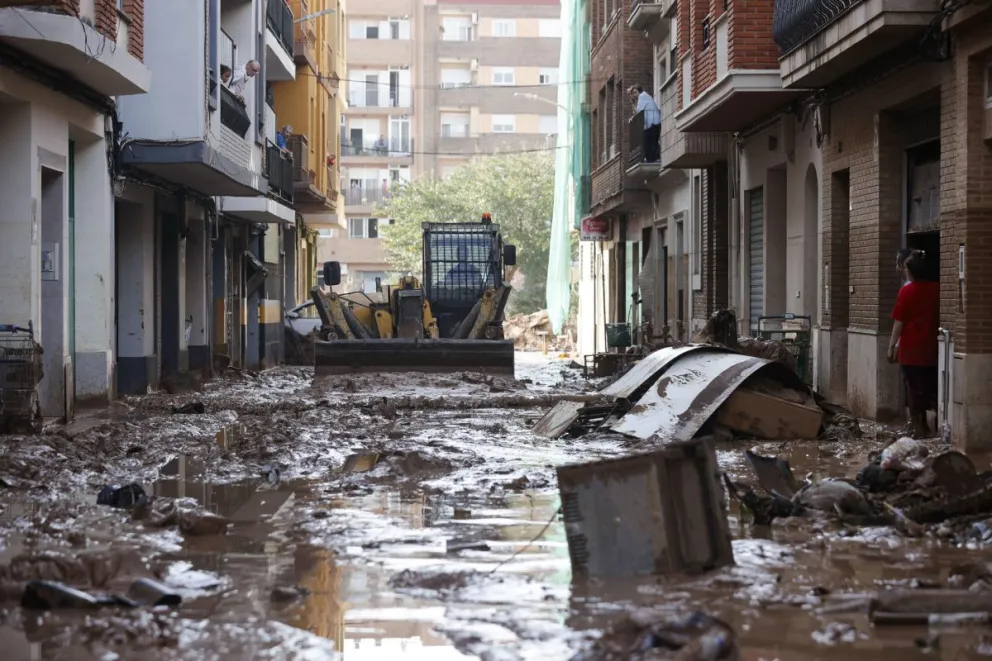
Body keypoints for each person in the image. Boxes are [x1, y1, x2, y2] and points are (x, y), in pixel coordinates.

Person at [887, 249, 939, 437]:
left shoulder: (907, 291)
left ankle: (918, 426)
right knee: (927, 386)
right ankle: (926, 425)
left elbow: (898, 322)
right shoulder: (937, 289)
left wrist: (891, 346)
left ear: (911, 271)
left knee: (912, 387)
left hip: (910, 349)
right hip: (931, 347)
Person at [632, 85, 661, 163]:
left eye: (635, 92)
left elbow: (639, 111)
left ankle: (651, 159)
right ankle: (654, 158)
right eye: (633, 93)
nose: (634, 95)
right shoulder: (646, 96)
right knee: (652, 141)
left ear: (639, 91)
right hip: (655, 122)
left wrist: (634, 107)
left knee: (647, 140)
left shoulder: (642, 96)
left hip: (652, 123)